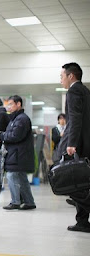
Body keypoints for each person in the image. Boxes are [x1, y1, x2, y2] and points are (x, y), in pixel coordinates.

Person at [57, 62, 90, 233]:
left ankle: (83, 214)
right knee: (82, 184)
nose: (61, 80)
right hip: (85, 144)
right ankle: (82, 221)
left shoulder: (74, 91)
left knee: (73, 183)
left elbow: (75, 119)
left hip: (79, 146)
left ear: (71, 76)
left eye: (62, 76)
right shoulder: (85, 91)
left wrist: (71, 144)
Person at [0, 95, 36, 210]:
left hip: (19, 155)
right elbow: (12, 134)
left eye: (11, 104)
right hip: (16, 154)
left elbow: (15, 136)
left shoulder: (22, 119)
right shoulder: (15, 119)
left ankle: (15, 201)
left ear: (18, 104)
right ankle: (29, 202)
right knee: (21, 178)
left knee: (11, 175)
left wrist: (2, 135)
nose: (9, 107)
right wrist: (2, 136)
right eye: (8, 104)